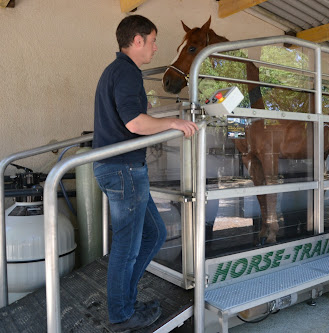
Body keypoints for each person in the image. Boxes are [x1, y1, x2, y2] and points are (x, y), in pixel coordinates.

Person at [92, 15, 198, 332]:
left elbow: (136, 119)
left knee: (154, 234)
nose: (155, 47)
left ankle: (125, 302)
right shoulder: (125, 72)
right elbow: (135, 124)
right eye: (152, 40)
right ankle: (122, 316)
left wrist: (159, 119)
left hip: (123, 168)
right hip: (123, 170)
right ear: (137, 40)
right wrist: (175, 123)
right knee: (127, 247)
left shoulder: (120, 72)